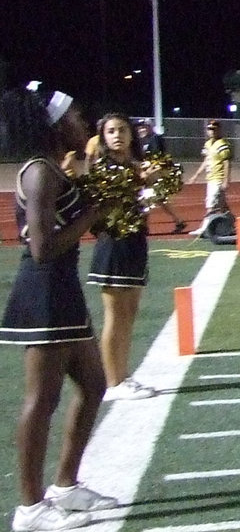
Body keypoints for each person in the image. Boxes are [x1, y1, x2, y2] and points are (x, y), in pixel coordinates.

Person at [0, 86, 120, 531]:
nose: (83, 125)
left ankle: (66, 487)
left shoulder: (56, 169)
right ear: (53, 124)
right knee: (41, 401)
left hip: (63, 293)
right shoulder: (39, 174)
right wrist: (91, 214)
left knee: (92, 385)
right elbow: (41, 247)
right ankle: (30, 509)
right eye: (75, 117)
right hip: (43, 294)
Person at [87, 113, 158, 400]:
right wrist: (142, 178)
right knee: (115, 316)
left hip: (135, 241)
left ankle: (123, 375)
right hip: (114, 243)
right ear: (103, 137)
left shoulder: (137, 164)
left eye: (122, 130)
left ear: (132, 134)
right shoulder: (104, 166)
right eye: (111, 131)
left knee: (129, 314)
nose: (117, 135)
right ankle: (112, 382)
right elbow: (113, 195)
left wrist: (154, 183)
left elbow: (149, 201)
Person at [136, 120, 187, 233]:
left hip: (155, 173)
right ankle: (178, 221)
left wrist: (148, 170)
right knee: (159, 199)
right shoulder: (143, 140)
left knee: (147, 198)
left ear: (149, 127)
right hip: (149, 173)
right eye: (140, 128)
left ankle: (143, 226)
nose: (141, 130)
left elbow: (158, 159)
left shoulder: (155, 139)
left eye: (144, 127)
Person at [187, 120, 233, 237]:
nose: (211, 132)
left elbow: (227, 162)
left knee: (211, 204)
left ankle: (203, 228)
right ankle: (232, 222)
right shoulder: (208, 144)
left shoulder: (223, 144)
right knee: (222, 205)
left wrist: (226, 180)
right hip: (210, 178)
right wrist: (196, 175)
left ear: (219, 130)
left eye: (214, 129)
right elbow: (206, 161)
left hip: (217, 178)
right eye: (210, 129)